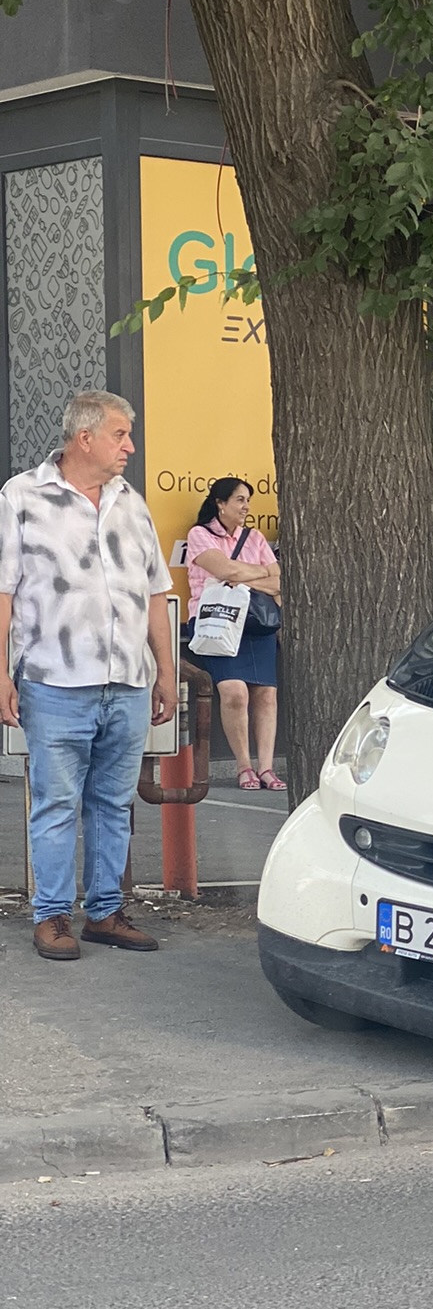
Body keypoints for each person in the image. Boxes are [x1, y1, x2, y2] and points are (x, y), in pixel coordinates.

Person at [0, 390, 175, 961]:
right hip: (54, 680)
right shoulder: (23, 496)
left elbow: (154, 594)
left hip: (127, 678)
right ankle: (51, 915)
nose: (130, 446)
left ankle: (104, 911)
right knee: (55, 802)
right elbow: (3, 591)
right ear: (85, 438)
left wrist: (165, 673)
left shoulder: (131, 502)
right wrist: (1, 671)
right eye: (121, 435)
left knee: (114, 801)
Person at [185, 476, 283, 792]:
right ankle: (245, 767)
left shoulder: (254, 538)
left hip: (256, 623)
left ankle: (266, 768)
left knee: (266, 694)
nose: (246, 507)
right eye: (240, 500)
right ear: (220, 503)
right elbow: (225, 571)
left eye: (248, 500)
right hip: (218, 623)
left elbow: (279, 582)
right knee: (234, 691)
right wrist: (258, 574)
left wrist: (242, 576)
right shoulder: (200, 535)